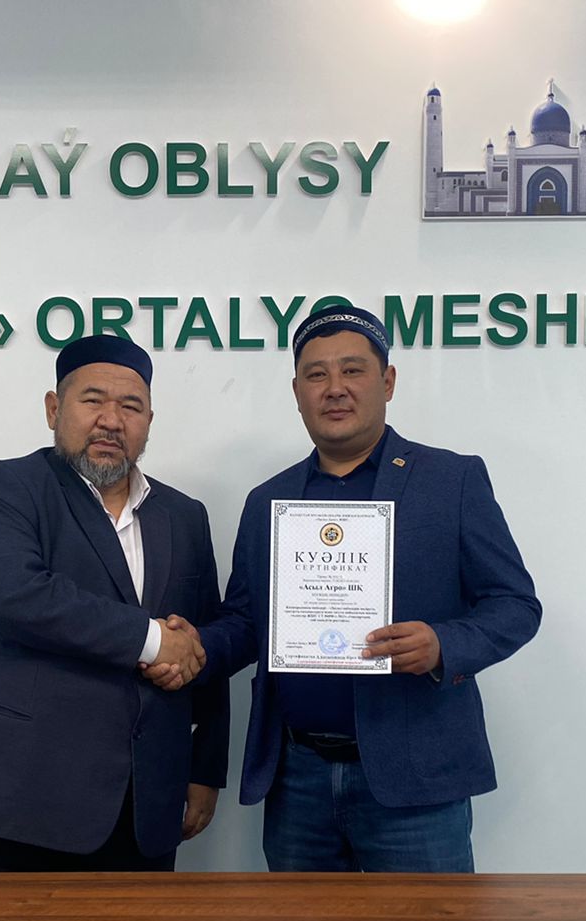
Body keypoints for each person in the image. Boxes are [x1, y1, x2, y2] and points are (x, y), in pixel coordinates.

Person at [175, 303, 540, 872]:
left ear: (387, 381)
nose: (335, 389)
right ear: (297, 392)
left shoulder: (452, 481)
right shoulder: (268, 500)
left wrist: (442, 645)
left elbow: (515, 605)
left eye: (353, 370)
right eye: (316, 375)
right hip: (297, 777)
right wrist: (193, 645)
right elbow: (247, 622)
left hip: (416, 779)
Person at [0, 335, 227, 872]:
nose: (111, 420)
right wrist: (152, 640)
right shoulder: (6, 486)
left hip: (139, 807)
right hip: (5, 800)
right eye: (92, 400)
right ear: (53, 409)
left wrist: (205, 768)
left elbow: (200, 642)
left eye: (130, 407)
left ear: (149, 421)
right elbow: (9, 594)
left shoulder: (184, 515)